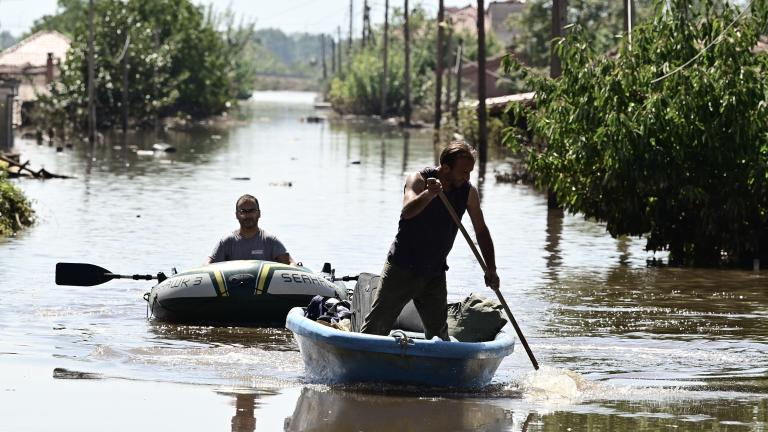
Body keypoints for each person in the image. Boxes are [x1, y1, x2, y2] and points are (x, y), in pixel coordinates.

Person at [361, 141, 499, 341]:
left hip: (434, 273)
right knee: (375, 329)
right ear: (446, 168)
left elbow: (481, 231)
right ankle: (359, 358)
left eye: (470, 172)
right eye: (463, 172)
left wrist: (491, 268)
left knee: (439, 338)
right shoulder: (418, 179)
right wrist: (429, 194)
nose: (467, 177)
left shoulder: (468, 192)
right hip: (402, 268)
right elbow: (408, 211)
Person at [206, 194, 296, 265]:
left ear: (259, 214)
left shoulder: (270, 241)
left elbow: (291, 264)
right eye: (243, 211)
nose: (248, 215)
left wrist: (295, 267)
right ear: (237, 215)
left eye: (252, 211)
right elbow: (208, 265)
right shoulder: (227, 242)